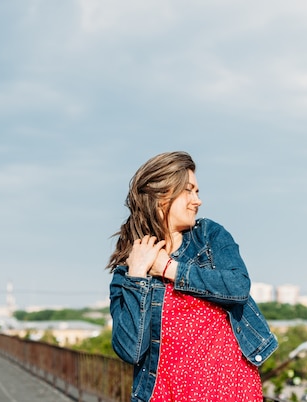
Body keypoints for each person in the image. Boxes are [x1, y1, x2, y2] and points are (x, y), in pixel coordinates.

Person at [108, 151, 278, 402]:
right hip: (166, 395)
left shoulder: (209, 237)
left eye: (197, 192)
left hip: (230, 390)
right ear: (161, 196)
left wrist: (169, 269)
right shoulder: (128, 270)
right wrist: (137, 276)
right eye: (189, 190)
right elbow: (130, 351)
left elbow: (238, 287)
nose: (197, 201)